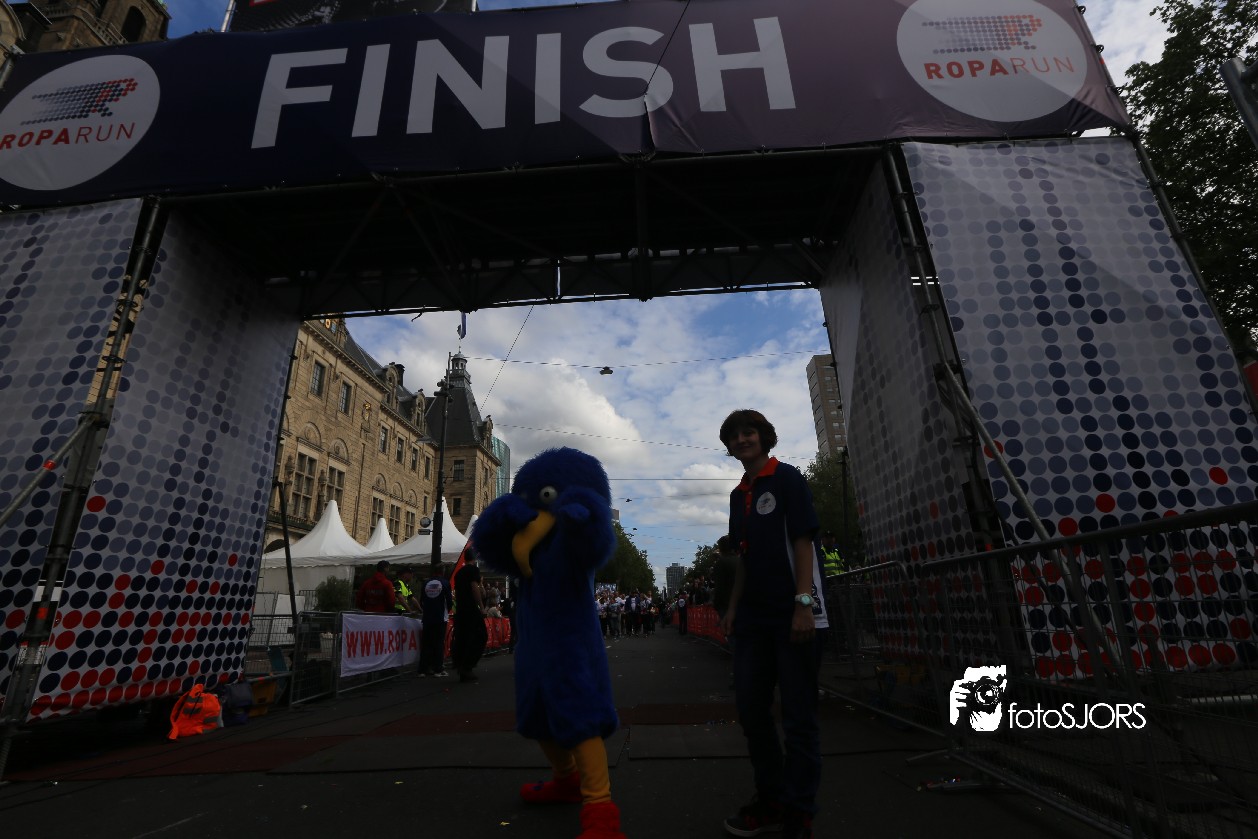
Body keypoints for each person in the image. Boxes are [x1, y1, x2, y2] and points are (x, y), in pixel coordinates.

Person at [718, 409, 827, 839]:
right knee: (751, 711)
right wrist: (733, 607)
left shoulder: (787, 478)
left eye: (749, 432)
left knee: (799, 718)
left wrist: (803, 604)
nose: (742, 440)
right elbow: (744, 556)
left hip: (793, 612)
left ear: (764, 437)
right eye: (734, 436)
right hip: (753, 618)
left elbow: (803, 540)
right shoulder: (738, 495)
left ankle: (799, 814)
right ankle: (771, 801)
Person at [452, 551, 488, 682]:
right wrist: (482, 607)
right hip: (471, 608)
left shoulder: (459, 573)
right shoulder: (473, 570)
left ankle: (461, 665)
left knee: (463, 638)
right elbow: (474, 588)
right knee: (481, 635)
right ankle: (468, 666)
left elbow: (457, 592)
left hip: (461, 609)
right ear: (475, 558)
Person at [418, 562, 452, 677]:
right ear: (443, 571)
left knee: (426, 643)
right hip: (440, 617)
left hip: (427, 617)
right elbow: (449, 601)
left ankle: (423, 669)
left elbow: (422, 600)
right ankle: (438, 669)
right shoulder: (445, 583)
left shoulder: (426, 583)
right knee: (439, 643)